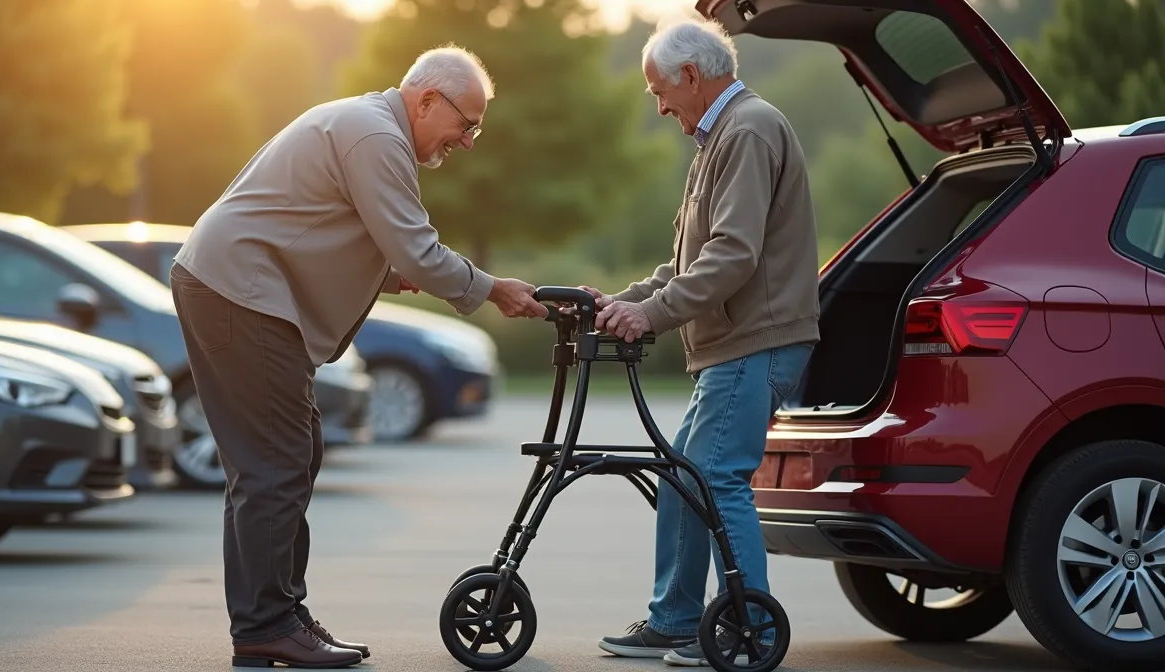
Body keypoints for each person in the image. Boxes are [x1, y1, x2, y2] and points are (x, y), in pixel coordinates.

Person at [169, 45, 547, 669]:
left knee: (291, 453)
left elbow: (364, 243)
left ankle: (279, 615)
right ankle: (266, 624)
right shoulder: (376, 135)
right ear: (427, 100)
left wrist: (413, 275)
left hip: (239, 288)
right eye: (467, 123)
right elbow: (416, 250)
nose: (469, 141)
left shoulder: (369, 127)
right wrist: (493, 290)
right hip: (240, 291)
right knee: (275, 461)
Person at [586, 16, 820, 668]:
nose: (659, 105)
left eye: (660, 90)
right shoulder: (720, 139)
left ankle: (750, 633)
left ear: (692, 75)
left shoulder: (747, 130)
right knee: (683, 478)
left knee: (716, 478)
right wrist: (627, 302)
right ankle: (677, 622)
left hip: (754, 343)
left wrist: (654, 315)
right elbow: (689, 262)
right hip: (732, 346)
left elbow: (733, 256)